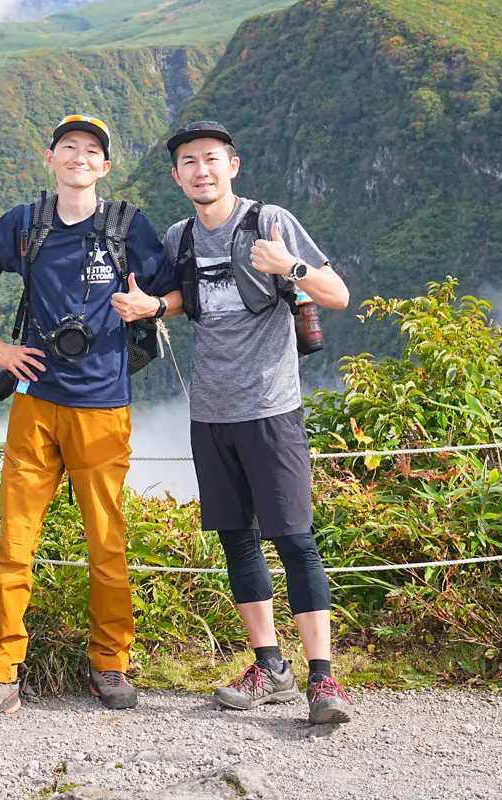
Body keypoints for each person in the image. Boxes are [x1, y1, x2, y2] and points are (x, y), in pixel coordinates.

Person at [0, 114, 177, 724]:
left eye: (91, 151)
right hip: (35, 401)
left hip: (103, 403)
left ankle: (110, 663)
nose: (79, 157)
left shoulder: (127, 226)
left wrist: (148, 305)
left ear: (105, 166)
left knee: (108, 542)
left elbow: (177, 293)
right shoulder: (25, 222)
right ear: (50, 158)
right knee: (15, 542)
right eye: (69, 147)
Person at [114, 119, 356, 725]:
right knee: (237, 539)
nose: (201, 170)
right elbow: (183, 298)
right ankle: (269, 664)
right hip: (210, 412)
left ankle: (322, 680)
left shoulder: (269, 221)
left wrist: (290, 266)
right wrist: (152, 306)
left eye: (211, 159)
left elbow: (337, 294)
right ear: (176, 176)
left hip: (271, 409)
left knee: (295, 539)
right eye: (189, 162)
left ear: (233, 165)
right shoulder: (179, 237)